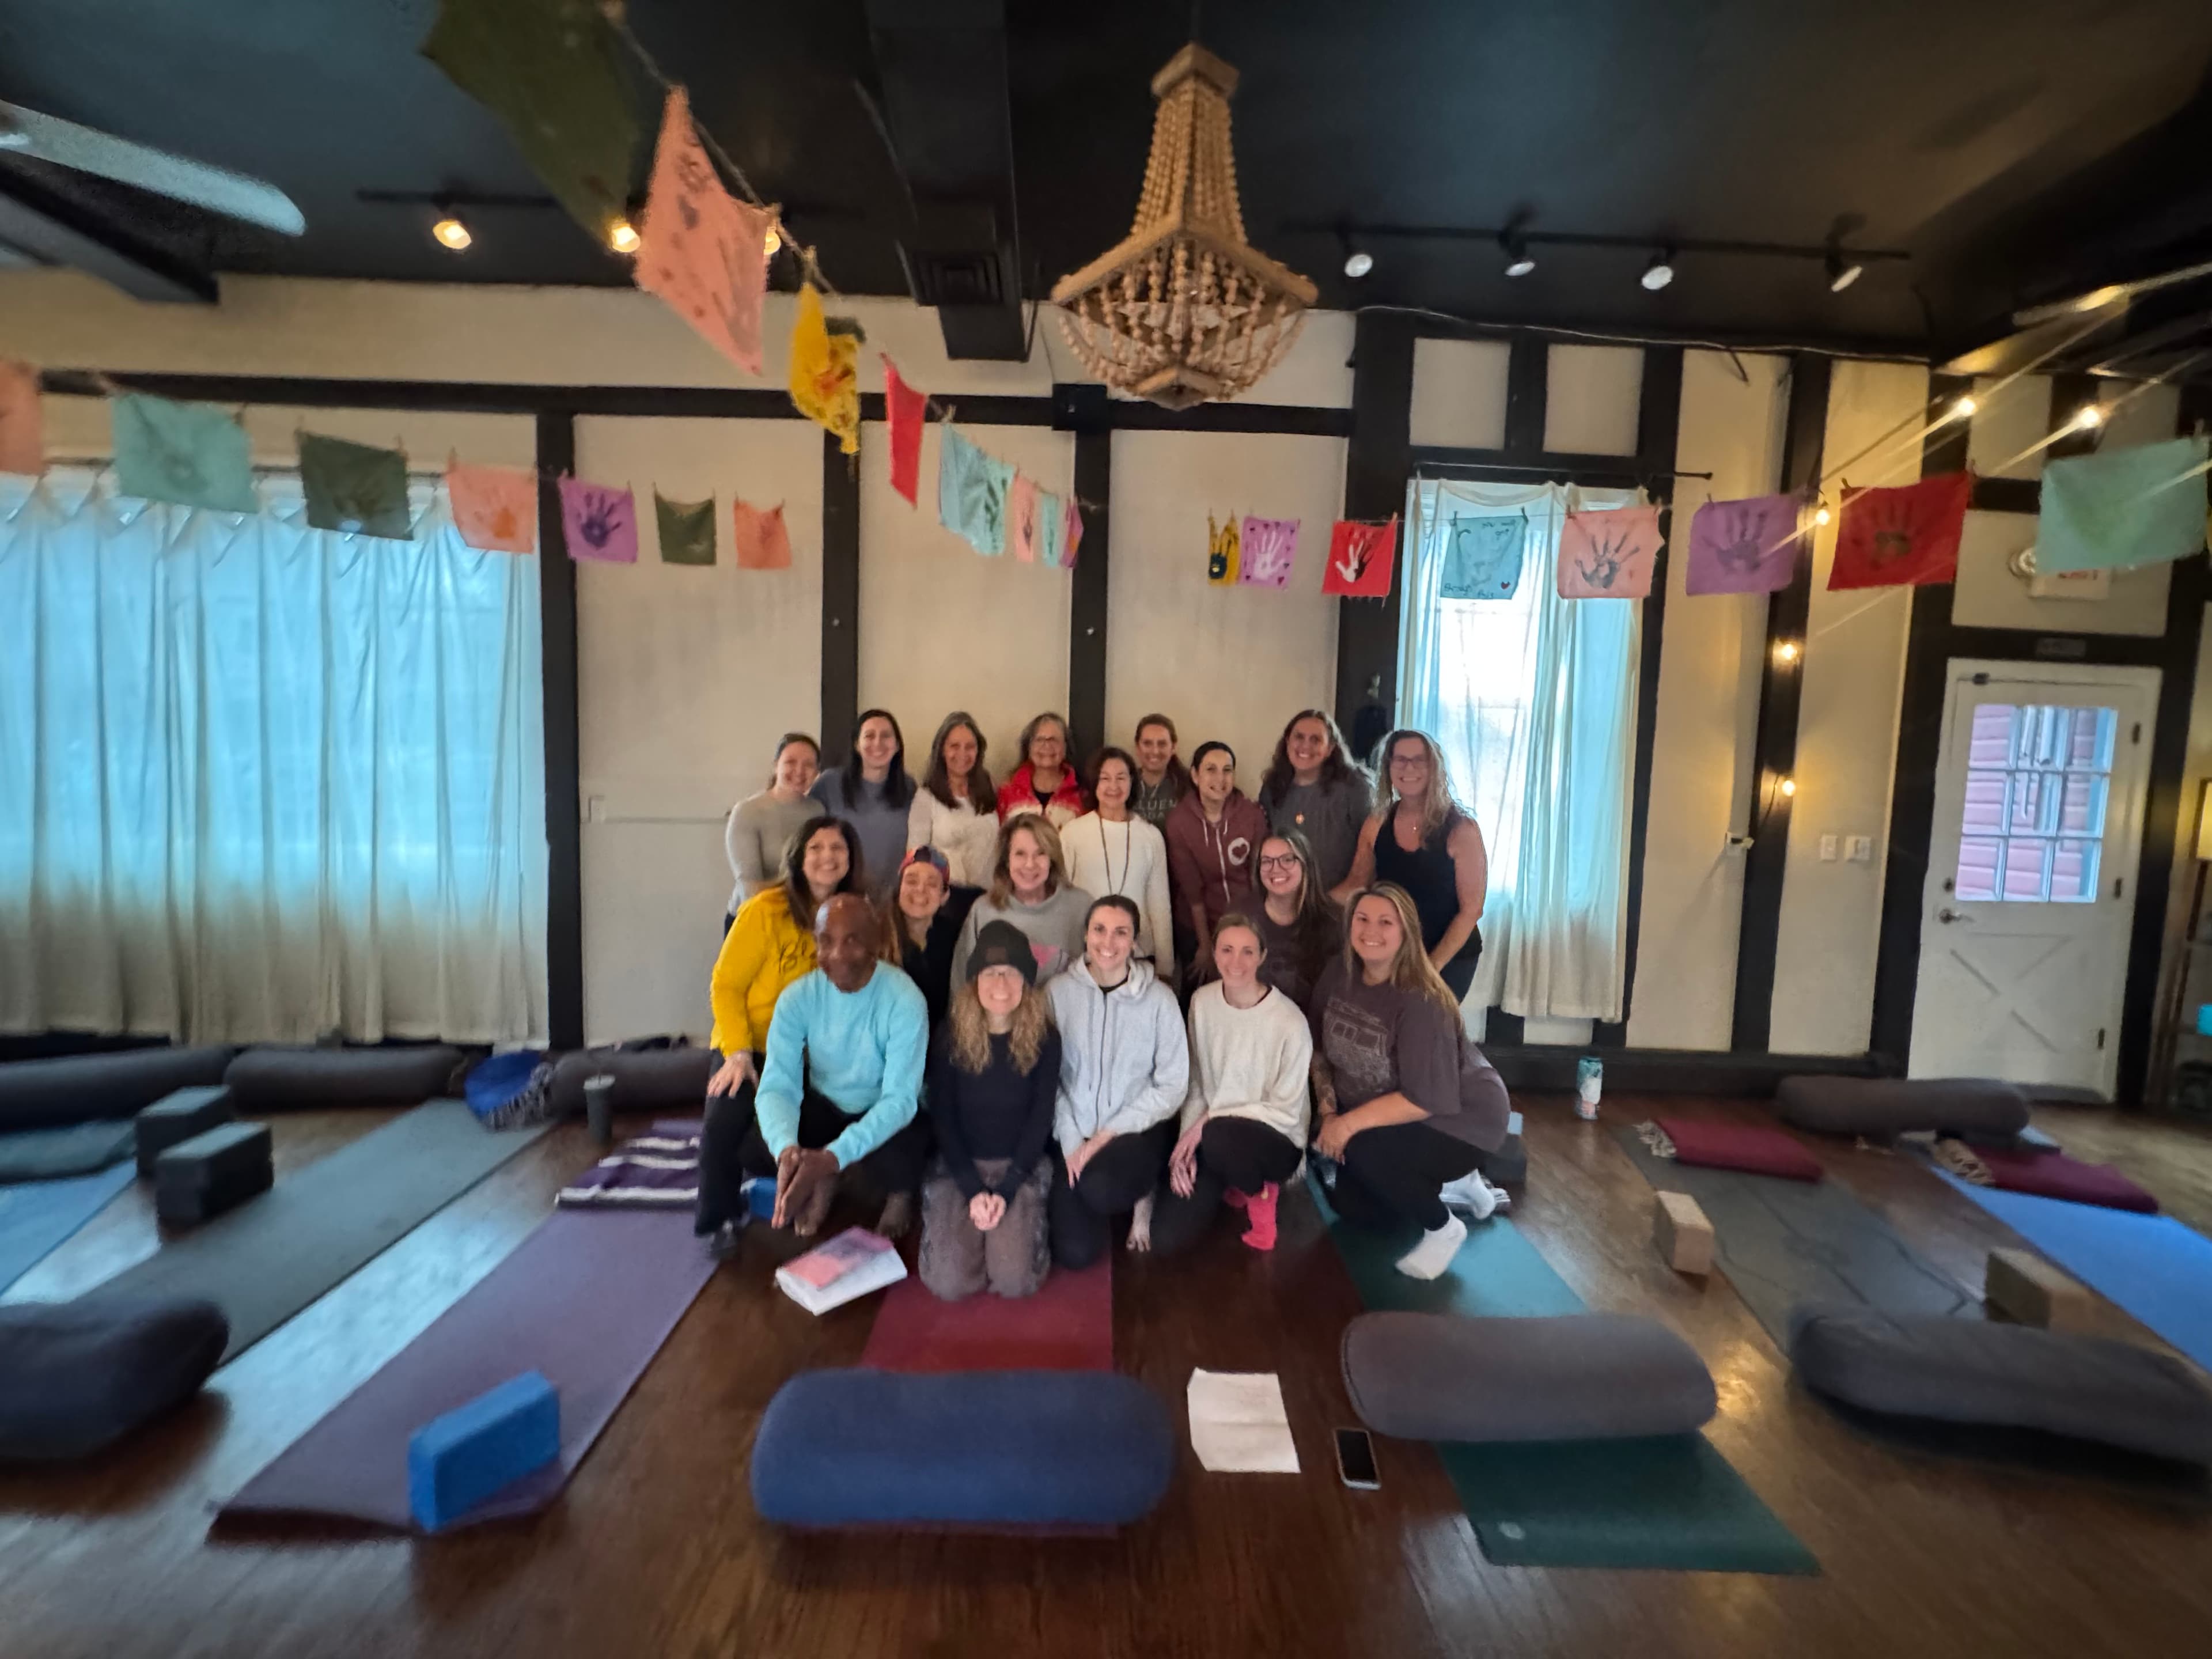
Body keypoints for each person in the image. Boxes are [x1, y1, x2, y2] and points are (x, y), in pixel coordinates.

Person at [696, 894, 929, 1248]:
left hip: (880, 1107)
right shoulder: (797, 998)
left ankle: (890, 1190)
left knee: (913, 1148)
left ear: (876, 943)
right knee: (752, 1140)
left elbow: (900, 1101)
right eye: (826, 941)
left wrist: (834, 1155)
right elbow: (778, 1087)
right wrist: (787, 1150)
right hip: (825, 1103)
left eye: (852, 940)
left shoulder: (905, 1000)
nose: (837, 954)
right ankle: (820, 1173)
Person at [1310, 884, 1512, 1281]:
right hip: (1396, 1111)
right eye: (1363, 919)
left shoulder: (1421, 1000)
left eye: (1387, 922)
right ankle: (1458, 1188)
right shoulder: (1338, 972)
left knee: (1360, 1147)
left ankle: (1443, 1227)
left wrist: (1346, 1125)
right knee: (1354, 1207)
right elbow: (1319, 1049)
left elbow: (1424, 1099)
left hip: (1460, 1119)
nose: (1372, 930)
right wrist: (1329, 1110)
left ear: (1406, 933)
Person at [696, 817, 870, 1246]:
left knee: (820, 1119)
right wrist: (736, 1051)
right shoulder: (764, 910)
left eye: (838, 849)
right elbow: (726, 984)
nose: (827, 857)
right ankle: (717, 1217)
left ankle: (809, 1184)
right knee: (726, 1114)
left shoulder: (856, 914)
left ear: (850, 861)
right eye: (816, 848)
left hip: (811, 1053)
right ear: (798, 856)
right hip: (751, 1043)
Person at [1150, 916, 1313, 1255]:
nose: (1235, 961)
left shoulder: (1289, 1021)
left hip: (1276, 1139)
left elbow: (1286, 1111)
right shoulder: (1202, 1002)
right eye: (1227, 950)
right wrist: (1185, 1148)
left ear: (1262, 956)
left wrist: (1208, 1122)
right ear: (1215, 952)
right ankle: (1237, 1176)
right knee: (1167, 1237)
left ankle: (1262, 1197)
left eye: (1247, 951)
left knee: (1221, 1135)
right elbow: (1196, 1082)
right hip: (1215, 1139)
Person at [919, 922, 1062, 1301]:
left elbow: (1041, 1119)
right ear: (974, 980)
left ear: (1027, 981)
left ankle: (1016, 1226)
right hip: (959, 1166)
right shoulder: (949, 1035)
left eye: (1012, 973)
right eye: (991, 973)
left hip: (1020, 1166)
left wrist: (1008, 1188)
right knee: (949, 1285)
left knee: (1015, 1282)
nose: (1001, 984)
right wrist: (971, 1188)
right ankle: (954, 1223)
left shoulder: (1046, 1038)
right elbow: (943, 1117)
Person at [1046, 896, 1188, 1267]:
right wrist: (1074, 1141)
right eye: (1100, 930)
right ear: (1086, 935)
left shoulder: (1160, 1000)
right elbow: (1048, 1078)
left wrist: (1107, 1136)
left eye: (1121, 932)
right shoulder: (1057, 993)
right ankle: (1095, 1190)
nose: (1108, 942)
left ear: (1135, 942)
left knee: (1104, 1190)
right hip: (1075, 1130)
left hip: (1134, 1132)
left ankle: (1143, 1197)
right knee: (1074, 1254)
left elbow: (1172, 1085)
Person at [1334, 729, 1487, 1000]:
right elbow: (1356, 885)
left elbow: (1472, 910)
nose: (1409, 767)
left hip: (1448, 957)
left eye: (1419, 760)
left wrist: (1431, 967)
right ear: (1388, 767)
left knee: (1427, 1032)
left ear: (1434, 768)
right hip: (1392, 950)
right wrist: (1307, 903)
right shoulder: (1376, 824)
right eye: (1400, 760)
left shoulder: (1462, 830)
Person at [1062, 746, 1176, 980]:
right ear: (1094, 784)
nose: (1113, 786)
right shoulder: (1073, 833)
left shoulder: (1151, 836)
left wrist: (1166, 969)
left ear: (1132, 782)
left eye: (1121, 778)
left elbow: (1160, 906)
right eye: (1105, 778)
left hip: (1138, 955)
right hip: (1086, 956)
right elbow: (1063, 899)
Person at [1165, 740, 1269, 977]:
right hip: (1197, 923)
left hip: (1246, 920)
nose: (1220, 779)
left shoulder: (1252, 814)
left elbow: (1258, 875)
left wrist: (1257, 925)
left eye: (1227, 770)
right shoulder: (1179, 822)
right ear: (1195, 775)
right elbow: (1192, 891)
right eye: (1211, 769)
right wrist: (1205, 945)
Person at [953, 816, 1093, 985]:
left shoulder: (1082, 906)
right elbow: (962, 982)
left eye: (1041, 853)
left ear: (1052, 859)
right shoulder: (984, 910)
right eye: (1020, 854)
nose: (1030, 864)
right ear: (1006, 860)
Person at [1256, 710, 1373, 894]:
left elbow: (1370, 851)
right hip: (1287, 899)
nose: (1306, 746)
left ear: (1330, 748)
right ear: (1287, 742)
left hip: (1340, 903)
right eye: (1299, 737)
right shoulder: (1272, 788)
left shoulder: (1355, 788)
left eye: (1316, 740)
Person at [811, 709, 916, 901]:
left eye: (886, 736)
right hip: (837, 897)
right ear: (857, 745)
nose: (878, 743)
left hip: (891, 901)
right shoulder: (829, 784)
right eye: (869, 736)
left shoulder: (909, 788)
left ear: (898, 745)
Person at [723, 732, 821, 929]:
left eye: (808, 765)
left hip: (802, 921)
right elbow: (750, 888)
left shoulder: (819, 811)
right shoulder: (748, 811)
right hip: (754, 920)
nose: (800, 771)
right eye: (791, 762)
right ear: (776, 765)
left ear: (817, 771)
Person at [908, 711, 999, 891]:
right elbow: (917, 857)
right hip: (945, 897)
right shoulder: (926, 798)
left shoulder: (990, 788)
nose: (962, 754)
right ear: (942, 750)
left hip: (988, 896)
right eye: (954, 746)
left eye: (970, 747)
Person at [1253, 831, 1341, 1011]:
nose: (1276, 868)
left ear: (1306, 865)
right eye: (1267, 861)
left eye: (1287, 859)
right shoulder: (1244, 917)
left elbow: (1336, 997)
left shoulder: (1333, 923)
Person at [888, 846, 963, 1033]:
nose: (920, 890)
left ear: (945, 896)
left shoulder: (954, 936)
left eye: (932, 884)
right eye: (911, 881)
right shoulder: (875, 936)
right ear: (899, 889)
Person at [996, 711, 1086, 828]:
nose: (1047, 746)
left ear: (1066, 747)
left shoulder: (1083, 795)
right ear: (1029, 747)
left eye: (1054, 740)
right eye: (1040, 740)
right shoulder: (1006, 792)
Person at [1130, 713, 1190, 832]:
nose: (1155, 751)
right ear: (1137, 747)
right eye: (1147, 744)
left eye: (1162, 744)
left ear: (1173, 747)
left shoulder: (1189, 785)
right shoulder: (1124, 783)